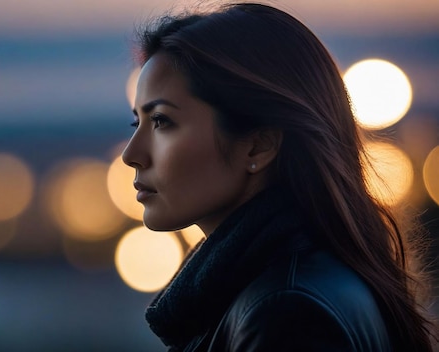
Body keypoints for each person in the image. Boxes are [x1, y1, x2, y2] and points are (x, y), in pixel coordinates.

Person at [121, 2, 437, 351]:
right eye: (137, 123)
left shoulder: (286, 314)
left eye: (162, 121)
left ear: (258, 146)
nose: (131, 155)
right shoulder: (284, 290)